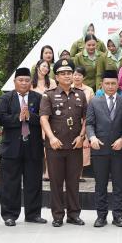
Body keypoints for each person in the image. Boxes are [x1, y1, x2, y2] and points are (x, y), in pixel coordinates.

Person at [40, 59, 88, 227]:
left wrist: (82, 136)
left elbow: (86, 118)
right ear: (57, 76)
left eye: (69, 73)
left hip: (75, 145)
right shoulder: (49, 95)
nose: (67, 76)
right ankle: (58, 215)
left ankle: (74, 215)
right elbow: (43, 119)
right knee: (56, 182)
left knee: (73, 182)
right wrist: (51, 138)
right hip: (56, 146)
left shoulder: (80, 94)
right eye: (63, 73)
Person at [0, 67, 46, 226]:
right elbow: (0, 118)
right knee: (10, 183)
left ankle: (33, 214)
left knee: (34, 182)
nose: (24, 83)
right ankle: (9, 215)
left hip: (33, 147)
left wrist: (30, 117)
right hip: (11, 148)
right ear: (15, 81)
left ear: (31, 82)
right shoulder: (6, 98)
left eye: (26, 80)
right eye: (20, 80)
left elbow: (44, 119)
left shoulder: (38, 98)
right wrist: (18, 118)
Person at [86, 69, 122, 227]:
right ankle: (101, 216)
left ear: (118, 84)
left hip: (119, 149)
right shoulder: (94, 102)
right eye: (107, 83)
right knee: (100, 184)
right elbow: (89, 123)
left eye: (113, 83)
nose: (110, 86)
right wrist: (92, 137)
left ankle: (118, 216)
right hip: (100, 149)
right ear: (102, 85)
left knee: (119, 185)